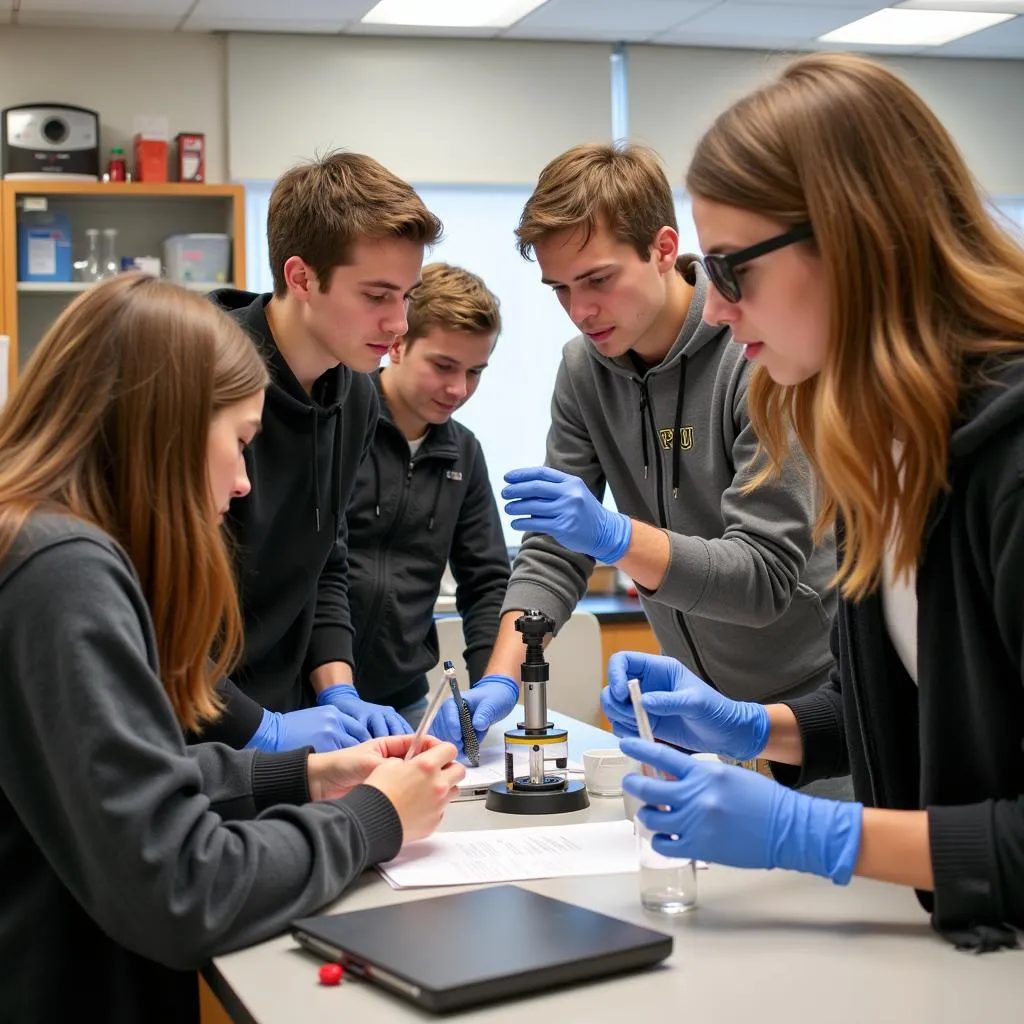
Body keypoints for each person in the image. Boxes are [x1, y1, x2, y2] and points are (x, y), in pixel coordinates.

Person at [604, 52, 1024, 949]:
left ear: (849, 239)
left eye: (730, 269)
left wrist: (826, 835)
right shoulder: (888, 446)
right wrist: (764, 726)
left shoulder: (1011, 460)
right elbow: (932, 701)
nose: (713, 312)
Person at [0, 274, 465, 1022]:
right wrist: (374, 818)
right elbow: (184, 887)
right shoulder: (64, 574)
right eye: (240, 442)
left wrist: (302, 775)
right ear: (168, 428)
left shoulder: (40, 544)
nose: (246, 482)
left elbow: (112, 779)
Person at [467, 141, 838, 766]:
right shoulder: (584, 371)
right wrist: (502, 676)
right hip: (702, 714)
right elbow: (556, 549)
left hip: (817, 709)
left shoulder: (757, 353)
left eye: (598, 280)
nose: (580, 310)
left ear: (664, 249)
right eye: (559, 289)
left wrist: (615, 535)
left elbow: (762, 577)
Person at [208, 151, 444, 752]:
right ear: (301, 277)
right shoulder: (205, 375)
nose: (398, 324)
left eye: (407, 296)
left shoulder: (359, 396)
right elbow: (155, 606)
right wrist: (260, 729)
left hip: (283, 710)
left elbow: (324, 560)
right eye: (376, 295)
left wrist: (339, 689)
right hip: (190, 718)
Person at [346, 262, 511, 729]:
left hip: (404, 696)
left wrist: (489, 686)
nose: (458, 389)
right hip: (310, 694)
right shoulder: (340, 423)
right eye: (443, 366)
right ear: (397, 344)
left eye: (475, 371)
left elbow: (486, 585)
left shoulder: (464, 452)